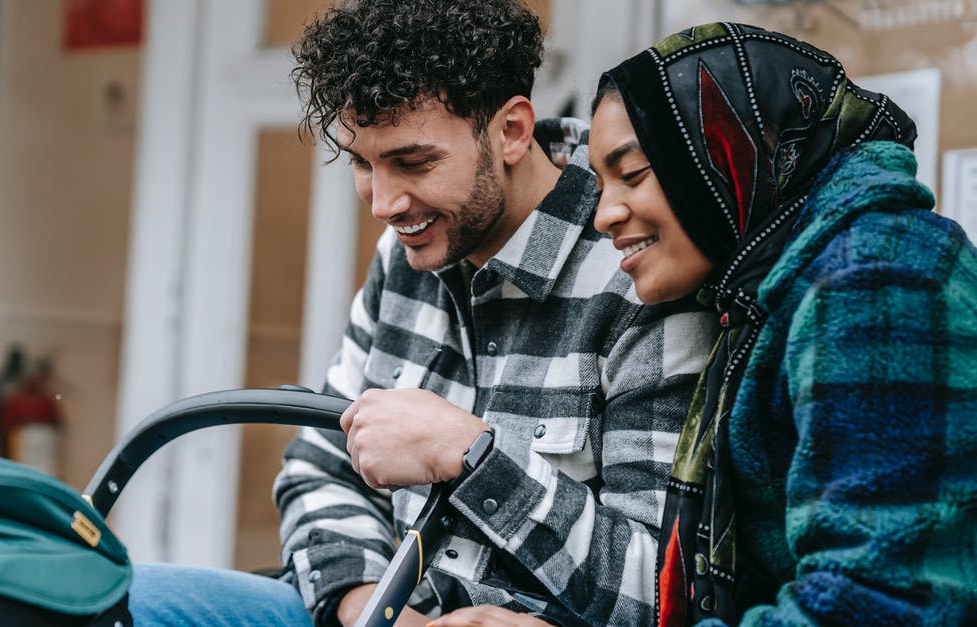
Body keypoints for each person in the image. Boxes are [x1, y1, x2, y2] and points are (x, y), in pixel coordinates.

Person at [127, 1, 716, 625]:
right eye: (361, 162)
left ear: (512, 131)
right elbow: (317, 467)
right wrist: (369, 608)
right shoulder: (405, 253)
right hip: (373, 614)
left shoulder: (637, 272)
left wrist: (471, 454)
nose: (383, 203)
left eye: (413, 162)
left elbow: (658, 590)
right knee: (111, 596)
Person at [581, 22, 977, 627]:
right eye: (600, 183)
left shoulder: (875, 276)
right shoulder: (767, 292)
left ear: (733, 149)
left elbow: (873, 605)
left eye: (633, 173)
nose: (605, 214)